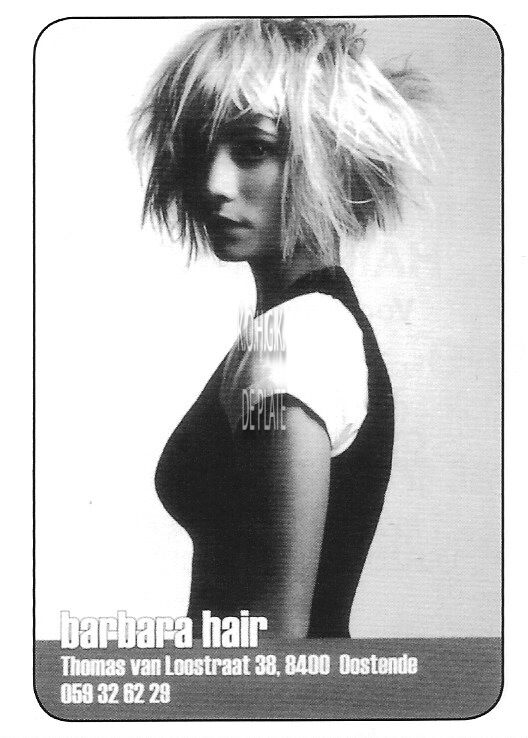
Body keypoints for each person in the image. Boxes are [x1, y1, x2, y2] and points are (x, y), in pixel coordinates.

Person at [131, 18, 430, 638]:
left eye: (253, 150)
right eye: (200, 148)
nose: (213, 185)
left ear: (329, 156)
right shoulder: (292, 327)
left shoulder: (300, 335)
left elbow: (275, 643)